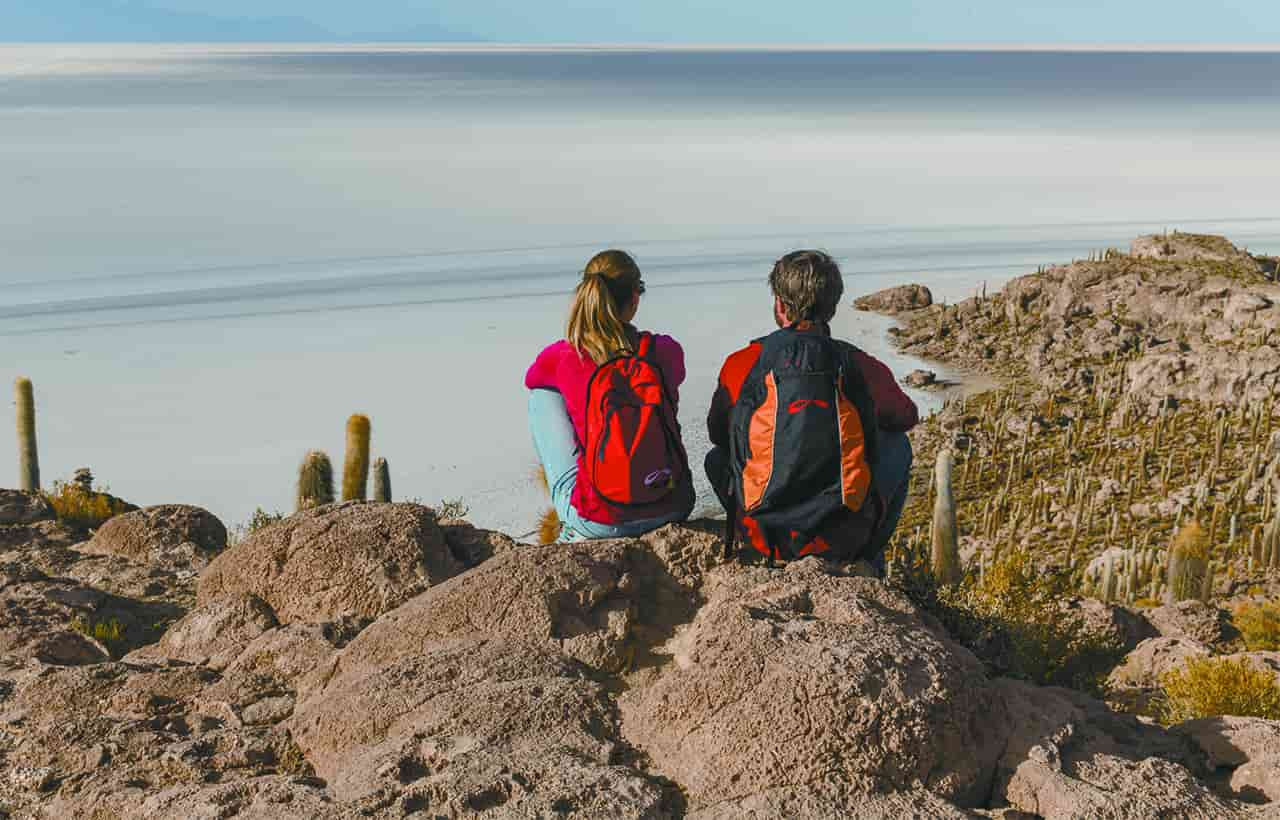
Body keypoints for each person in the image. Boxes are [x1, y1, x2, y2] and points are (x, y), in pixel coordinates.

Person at [705, 250, 918, 569]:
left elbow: (718, 434)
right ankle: (867, 557)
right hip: (841, 536)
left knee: (716, 458)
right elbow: (906, 416)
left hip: (769, 537)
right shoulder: (860, 365)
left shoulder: (741, 364)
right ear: (832, 307)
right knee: (898, 446)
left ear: (779, 304)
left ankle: (753, 543)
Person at [526, 250, 694, 542]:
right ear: (635, 299)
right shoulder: (666, 351)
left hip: (601, 521)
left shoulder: (565, 356)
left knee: (542, 395)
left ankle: (572, 532)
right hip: (672, 507)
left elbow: (532, 378)